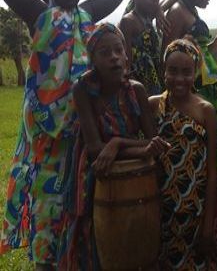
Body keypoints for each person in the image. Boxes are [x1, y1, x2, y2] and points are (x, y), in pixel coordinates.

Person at [0, 0, 125, 269]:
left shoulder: (86, 13)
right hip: (44, 129)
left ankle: (74, 255)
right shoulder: (40, 13)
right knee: (45, 200)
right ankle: (45, 261)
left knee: (76, 194)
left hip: (82, 125)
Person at [58, 23, 168, 270]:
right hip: (94, 171)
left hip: (130, 173)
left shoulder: (136, 90)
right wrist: (134, 148)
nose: (114, 58)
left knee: (133, 238)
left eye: (119, 50)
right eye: (105, 52)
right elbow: (96, 148)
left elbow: (153, 141)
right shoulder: (83, 90)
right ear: (93, 59)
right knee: (93, 234)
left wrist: (117, 144)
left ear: (126, 54)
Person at [149, 39, 217, 270]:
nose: (179, 78)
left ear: (196, 72)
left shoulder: (205, 110)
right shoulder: (153, 106)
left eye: (187, 72)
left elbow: (211, 172)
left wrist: (208, 224)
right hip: (160, 213)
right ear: (163, 70)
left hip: (195, 215)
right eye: (173, 71)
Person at [161, 0, 217, 167]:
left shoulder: (190, 10)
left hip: (206, 88)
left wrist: (214, 45)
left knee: (208, 150)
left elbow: (195, 52)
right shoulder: (177, 12)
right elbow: (169, 55)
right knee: (195, 150)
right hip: (192, 91)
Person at [119, 0, 164, 95]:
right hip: (138, 85)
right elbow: (125, 63)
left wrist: (159, 9)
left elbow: (168, 1)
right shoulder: (128, 21)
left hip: (155, 80)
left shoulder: (148, 17)